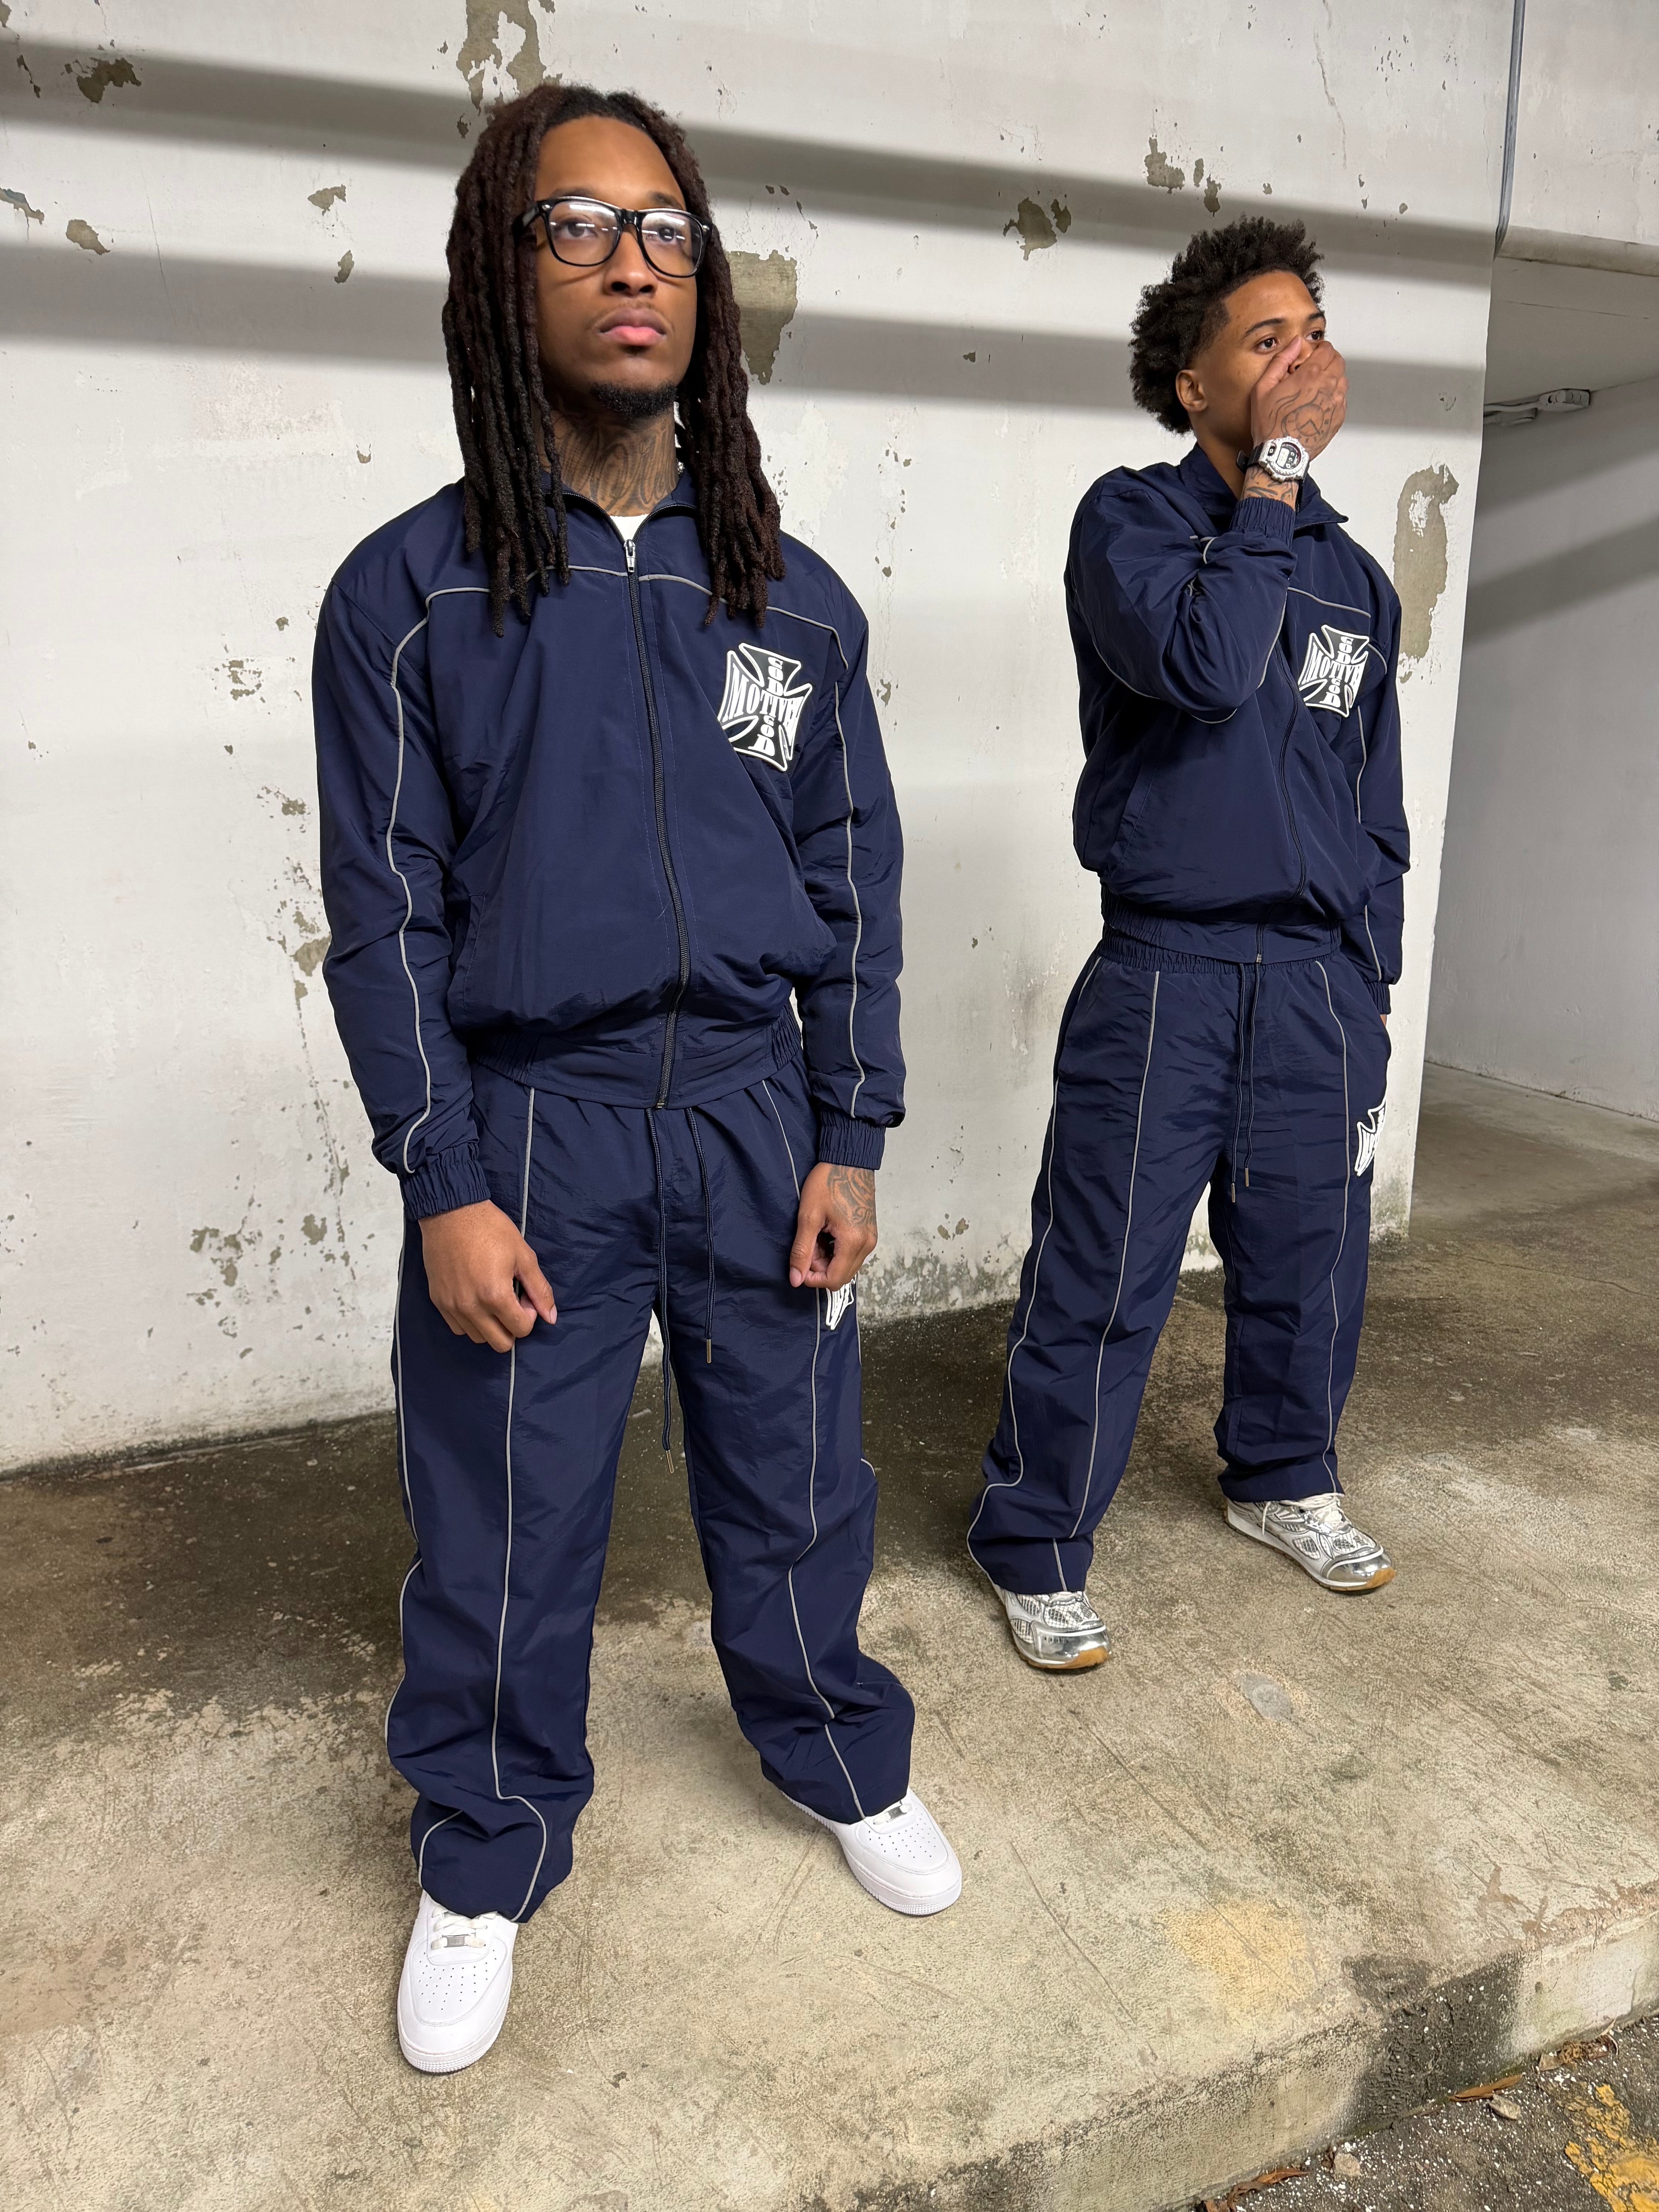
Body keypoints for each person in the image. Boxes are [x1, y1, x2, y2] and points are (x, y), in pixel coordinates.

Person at [313, 81, 960, 2076]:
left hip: (759, 1110)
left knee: (797, 1476)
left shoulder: (795, 597)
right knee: (504, 1515)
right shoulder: (412, 594)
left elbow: (853, 879)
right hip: (536, 1123)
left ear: (707, 288)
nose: (634, 264)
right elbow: (386, 916)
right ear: (500, 273)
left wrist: (851, 1127)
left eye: (669, 229)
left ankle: (838, 1747)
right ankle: (486, 1848)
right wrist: (443, 1177)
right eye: (580, 224)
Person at [968, 217, 1408, 1673]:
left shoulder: (1355, 579)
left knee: (1310, 1258)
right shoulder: (1133, 524)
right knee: (1104, 1272)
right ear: (1193, 383)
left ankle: (1283, 1478)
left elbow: (1374, 800)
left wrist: (1374, 982)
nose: (1302, 361)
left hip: (1315, 984)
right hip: (1168, 968)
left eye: (1313, 335)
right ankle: (1034, 1541)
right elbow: (1208, 669)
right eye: (1265, 341)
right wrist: (1274, 479)